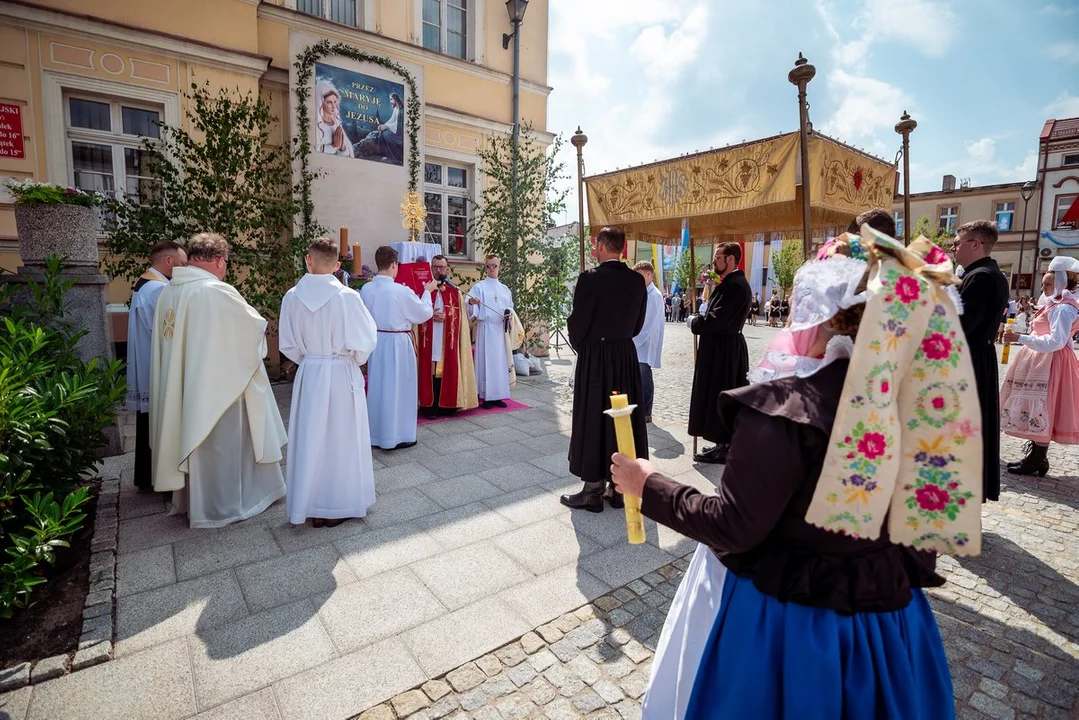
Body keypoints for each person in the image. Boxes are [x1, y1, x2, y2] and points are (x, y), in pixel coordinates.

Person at [613, 229, 978, 719]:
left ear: (821, 312)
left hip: (790, 627)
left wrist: (647, 483)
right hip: (888, 626)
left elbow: (734, 525)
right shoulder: (924, 406)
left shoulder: (789, 409)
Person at [150, 233, 286, 528]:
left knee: (194, 438)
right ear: (220, 261)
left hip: (186, 387)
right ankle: (223, 507)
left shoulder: (170, 291)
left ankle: (193, 503)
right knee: (222, 446)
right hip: (216, 389)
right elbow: (252, 331)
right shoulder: (214, 291)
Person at [279, 237, 378, 527]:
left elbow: (287, 344)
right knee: (342, 438)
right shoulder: (347, 297)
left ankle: (310, 504)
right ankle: (338, 504)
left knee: (311, 438)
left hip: (310, 371)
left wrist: (311, 359)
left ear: (308, 259)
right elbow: (366, 340)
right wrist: (352, 358)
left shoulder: (292, 296)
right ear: (337, 265)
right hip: (340, 370)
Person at [562, 227, 649, 513]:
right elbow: (637, 324)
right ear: (622, 248)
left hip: (597, 358)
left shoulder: (590, 279)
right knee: (621, 421)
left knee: (593, 417)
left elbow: (578, 323)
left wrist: (584, 347)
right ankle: (621, 489)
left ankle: (592, 489)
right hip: (624, 356)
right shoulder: (637, 281)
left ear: (600, 246)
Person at [1000, 257, 1079, 476]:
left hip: (1050, 361)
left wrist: (1021, 338)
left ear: (1062, 284)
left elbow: (1057, 341)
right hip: (1043, 360)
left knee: (1046, 406)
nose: (1043, 288)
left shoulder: (1064, 308)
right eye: (1044, 283)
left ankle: (1037, 459)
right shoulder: (1056, 305)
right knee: (1043, 406)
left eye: (1048, 284)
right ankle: (1036, 457)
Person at [953, 220, 1009, 502]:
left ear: (976, 244)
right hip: (977, 357)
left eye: (957, 242)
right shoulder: (986, 273)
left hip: (969, 360)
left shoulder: (981, 277)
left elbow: (961, 325)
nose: (953, 247)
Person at [360, 246, 437, 450]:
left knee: (378, 388)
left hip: (376, 342)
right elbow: (423, 314)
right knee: (400, 388)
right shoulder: (401, 291)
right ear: (394, 265)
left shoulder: (366, 289)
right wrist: (427, 293)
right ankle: (400, 435)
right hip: (398, 344)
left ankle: (377, 435)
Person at [125, 241, 186, 490]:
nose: (184, 269)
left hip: (146, 358)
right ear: (168, 261)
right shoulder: (159, 289)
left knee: (149, 420)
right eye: (182, 264)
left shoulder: (147, 284)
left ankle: (147, 477)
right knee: (160, 420)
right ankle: (158, 477)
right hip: (157, 362)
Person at [688, 243, 751, 464]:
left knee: (721, 393)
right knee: (716, 394)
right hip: (721, 348)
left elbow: (718, 320)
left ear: (731, 259)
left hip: (724, 351)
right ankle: (720, 442)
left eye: (718, 257)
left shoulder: (735, 286)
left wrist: (695, 322)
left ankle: (724, 445)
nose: (714, 262)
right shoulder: (731, 283)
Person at [418, 254, 478, 418]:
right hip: (429, 338)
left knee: (445, 368)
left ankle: (447, 405)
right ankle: (429, 406)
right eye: (435, 267)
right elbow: (416, 314)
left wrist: (447, 317)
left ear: (447, 269)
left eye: (441, 267)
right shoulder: (424, 290)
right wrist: (431, 316)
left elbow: (461, 320)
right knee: (428, 368)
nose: (439, 270)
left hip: (446, 338)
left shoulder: (454, 291)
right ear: (431, 269)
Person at [469, 255, 515, 408]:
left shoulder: (504, 289)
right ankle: (486, 396)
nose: (491, 268)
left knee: (499, 364)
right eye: (488, 266)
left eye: (494, 265)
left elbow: (510, 307)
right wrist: (471, 302)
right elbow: (468, 302)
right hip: (487, 329)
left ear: (499, 267)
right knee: (486, 362)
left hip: (500, 330)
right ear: (485, 268)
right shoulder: (479, 287)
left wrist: (509, 314)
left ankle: (498, 395)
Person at [633, 260, 665, 424]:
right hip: (639, 343)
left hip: (644, 343)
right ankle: (640, 409)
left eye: (639, 276)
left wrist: (632, 342)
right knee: (638, 377)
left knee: (644, 376)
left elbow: (648, 324)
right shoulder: (643, 292)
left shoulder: (654, 295)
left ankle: (646, 411)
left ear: (649, 275)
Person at [315, 81, 352, 156]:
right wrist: (334, 146)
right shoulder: (316, 125)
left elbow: (348, 151)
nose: (333, 106)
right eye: (329, 102)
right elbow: (315, 150)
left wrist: (342, 148)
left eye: (335, 102)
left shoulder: (337, 123)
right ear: (320, 102)